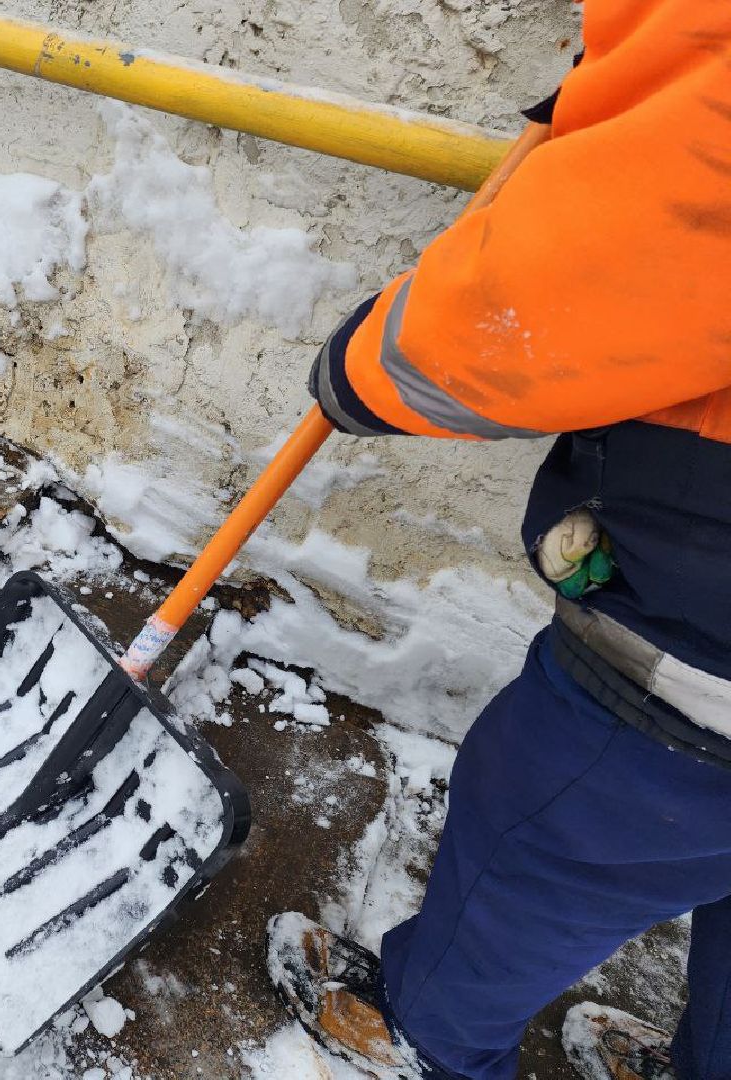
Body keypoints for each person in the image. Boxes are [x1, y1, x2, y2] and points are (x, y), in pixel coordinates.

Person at [264, 2, 731, 1077]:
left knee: (553, 831)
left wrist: (370, 368)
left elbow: (602, 267)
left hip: (703, 632)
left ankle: (428, 1034)